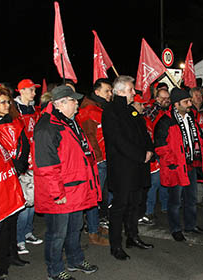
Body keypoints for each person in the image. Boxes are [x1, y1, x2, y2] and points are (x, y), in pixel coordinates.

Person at [33, 85, 100, 280]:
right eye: (74, 101)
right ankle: (54, 270)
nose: (77, 105)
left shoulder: (69, 121)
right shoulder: (47, 126)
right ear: (61, 103)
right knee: (57, 234)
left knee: (75, 228)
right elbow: (46, 165)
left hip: (76, 187)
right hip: (62, 191)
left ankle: (75, 260)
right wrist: (57, 193)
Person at [102, 76, 154, 261]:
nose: (134, 92)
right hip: (123, 169)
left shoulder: (131, 111)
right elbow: (119, 141)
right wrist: (141, 155)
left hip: (137, 167)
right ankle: (115, 245)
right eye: (131, 89)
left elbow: (143, 133)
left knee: (135, 205)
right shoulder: (111, 111)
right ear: (122, 91)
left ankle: (133, 237)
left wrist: (149, 150)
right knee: (120, 207)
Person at [0, 86, 31, 278]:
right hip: (0, 178)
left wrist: (19, 166)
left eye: (7, 101)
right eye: (2, 102)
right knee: (2, 224)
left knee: (13, 218)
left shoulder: (16, 120)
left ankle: (12, 254)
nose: (6, 105)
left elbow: (24, 144)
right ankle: (0, 262)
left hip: (15, 173)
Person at [154, 88, 203, 242]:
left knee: (191, 199)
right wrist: (173, 161)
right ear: (176, 104)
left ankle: (191, 225)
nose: (190, 104)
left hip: (191, 164)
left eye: (190, 101)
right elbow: (160, 147)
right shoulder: (165, 121)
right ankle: (176, 229)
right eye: (186, 102)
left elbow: (197, 136)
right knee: (175, 201)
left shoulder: (191, 117)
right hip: (177, 167)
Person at [76, 78, 112, 246]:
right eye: (107, 91)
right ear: (97, 92)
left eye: (111, 91)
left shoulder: (100, 108)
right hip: (98, 161)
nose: (110, 94)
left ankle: (95, 225)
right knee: (94, 197)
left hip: (104, 159)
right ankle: (92, 231)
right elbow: (89, 137)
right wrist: (99, 159)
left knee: (100, 196)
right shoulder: (89, 110)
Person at [14, 79, 44, 255]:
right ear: (22, 91)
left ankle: (28, 232)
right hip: (24, 161)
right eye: (31, 90)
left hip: (35, 159)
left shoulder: (33, 109)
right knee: (25, 202)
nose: (34, 93)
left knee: (33, 199)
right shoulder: (15, 110)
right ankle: (19, 239)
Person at [140, 88, 170, 225]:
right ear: (156, 99)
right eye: (162, 98)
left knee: (164, 181)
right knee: (154, 182)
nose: (166, 101)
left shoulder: (168, 111)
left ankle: (165, 206)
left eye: (167, 98)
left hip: (165, 151)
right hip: (154, 152)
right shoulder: (151, 111)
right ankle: (148, 211)